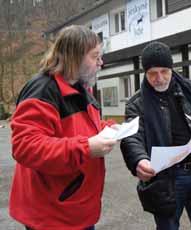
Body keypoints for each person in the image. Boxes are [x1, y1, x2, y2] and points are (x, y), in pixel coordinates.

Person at [9, 25, 117, 230]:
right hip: (52, 215)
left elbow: (83, 126)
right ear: (74, 56)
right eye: (95, 56)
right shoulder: (43, 89)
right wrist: (86, 147)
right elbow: (25, 146)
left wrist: (110, 128)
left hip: (75, 209)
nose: (101, 62)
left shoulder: (81, 87)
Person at [120, 41, 191, 230]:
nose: (160, 78)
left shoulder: (189, 88)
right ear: (144, 73)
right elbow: (132, 136)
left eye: (164, 71)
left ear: (171, 68)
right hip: (166, 179)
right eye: (153, 73)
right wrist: (139, 160)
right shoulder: (136, 103)